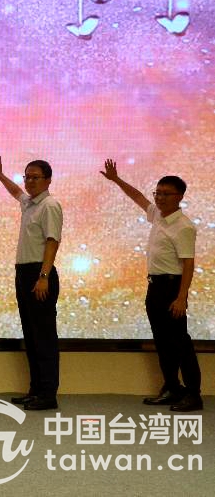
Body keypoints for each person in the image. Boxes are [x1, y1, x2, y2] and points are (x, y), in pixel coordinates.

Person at [101, 160, 202, 412]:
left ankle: (193, 394)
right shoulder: (157, 215)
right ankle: (171, 387)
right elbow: (138, 196)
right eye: (158, 193)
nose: (160, 198)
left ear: (180, 197)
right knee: (162, 341)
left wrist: (181, 297)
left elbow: (188, 264)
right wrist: (116, 179)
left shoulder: (184, 226)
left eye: (166, 194)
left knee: (180, 342)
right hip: (154, 287)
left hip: (172, 287)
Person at [0, 153, 62, 411]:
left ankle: (48, 394)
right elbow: (15, 191)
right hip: (24, 273)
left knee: (44, 336)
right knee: (31, 335)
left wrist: (44, 276)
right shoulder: (29, 203)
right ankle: (36, 390)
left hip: (39, 274)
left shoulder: (49, 205)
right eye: (27, 177)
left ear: (48, 180)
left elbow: (52, 241)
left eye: (35, 177)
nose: (29, 182)